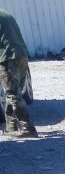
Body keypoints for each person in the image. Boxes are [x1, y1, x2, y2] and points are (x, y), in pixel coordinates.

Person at [0, 9, 36, 138]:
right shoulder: (6, 13)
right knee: (15, 91)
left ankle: (28, 128)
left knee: (12, 94)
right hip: (21, 55)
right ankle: (11, 125)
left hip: (7, 58)